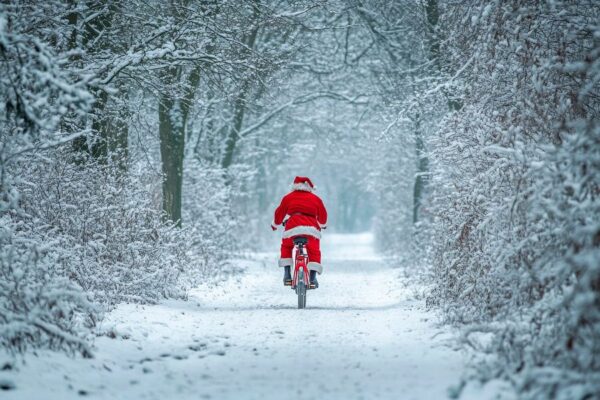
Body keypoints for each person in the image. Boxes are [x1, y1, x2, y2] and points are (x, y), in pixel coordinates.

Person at [271, 176, 328, 288]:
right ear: (309, 187)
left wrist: (275, 225)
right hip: (311, 231)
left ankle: (287, 274)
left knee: (286, 246)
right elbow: (323, 218)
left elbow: (279, 215)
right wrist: (323, 225)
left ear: (294, 186)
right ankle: (312, 278)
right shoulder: (316, 199)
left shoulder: (288, 198)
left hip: (292, 229)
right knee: (314, 250)